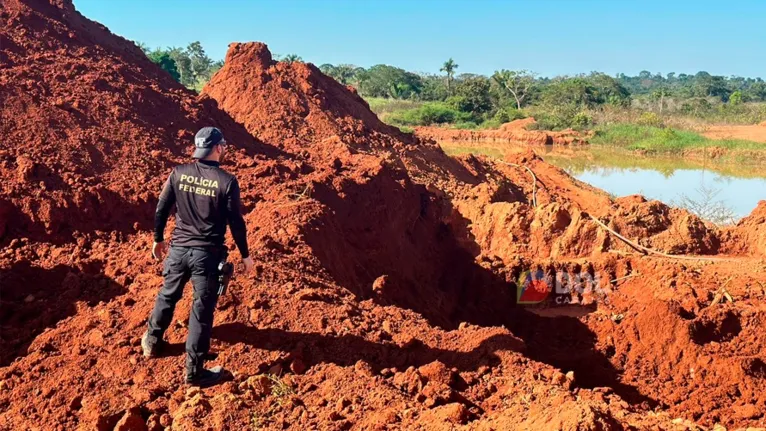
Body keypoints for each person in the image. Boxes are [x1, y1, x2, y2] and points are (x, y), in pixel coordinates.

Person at [141, 126, 254, 387]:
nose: (224, 149)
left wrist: (158, 238)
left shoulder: (179, 173)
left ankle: (152, 343)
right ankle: (194, 372)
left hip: (178, 250)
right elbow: (236, 222)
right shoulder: (227, 181)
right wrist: (246, 255)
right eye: (223, 145)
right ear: (217, 148)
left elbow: (162, 208)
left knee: (168, 295)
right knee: (201, 310)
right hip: (207, 254)